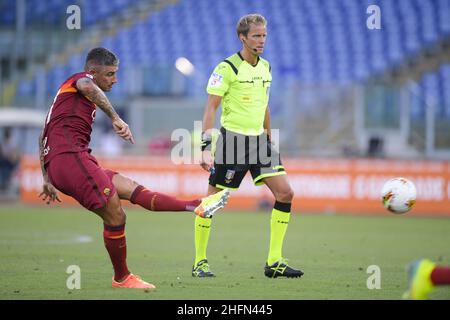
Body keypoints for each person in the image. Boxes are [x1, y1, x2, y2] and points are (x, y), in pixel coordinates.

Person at [39, 47, 230, 289]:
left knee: (132, 189)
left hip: (69, 161)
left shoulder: (65, 98)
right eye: (109, 74)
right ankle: (122, 277)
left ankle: (196, 205)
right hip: (69, 158)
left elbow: (42, 135)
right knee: (116, 214)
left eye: (115, 73)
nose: (115, 79)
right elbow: (88, 87)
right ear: (92, 72)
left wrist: (47, 178)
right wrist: (116, 118)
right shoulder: (81, 81)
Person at [194, 14, 303, 278]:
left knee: (285, 193)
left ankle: (274, 261)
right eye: (256, 35)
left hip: (259, 142)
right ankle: (200, 262)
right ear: (242, 38)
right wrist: (205, 145)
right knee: (211, 202)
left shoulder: (266, 66)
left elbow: (263, 103)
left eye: (264, 35)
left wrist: (268, 133)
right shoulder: (226, 68)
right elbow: (211, 106)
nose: (262, 40)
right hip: (233, 140)